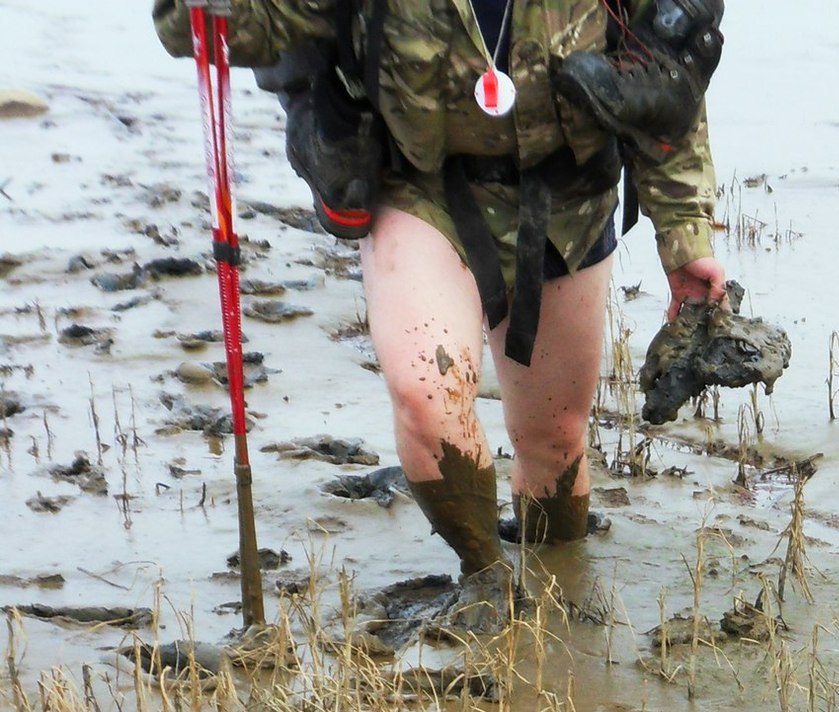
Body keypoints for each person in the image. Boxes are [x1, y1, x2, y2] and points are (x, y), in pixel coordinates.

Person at [153, 0, 727, 626]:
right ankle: (486, 578)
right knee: (426, 394)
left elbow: (669, 82)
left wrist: (685, 240)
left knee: (554, 440)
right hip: (419, 185)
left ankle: (562, 581)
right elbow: (233, 27)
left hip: (567, 195)